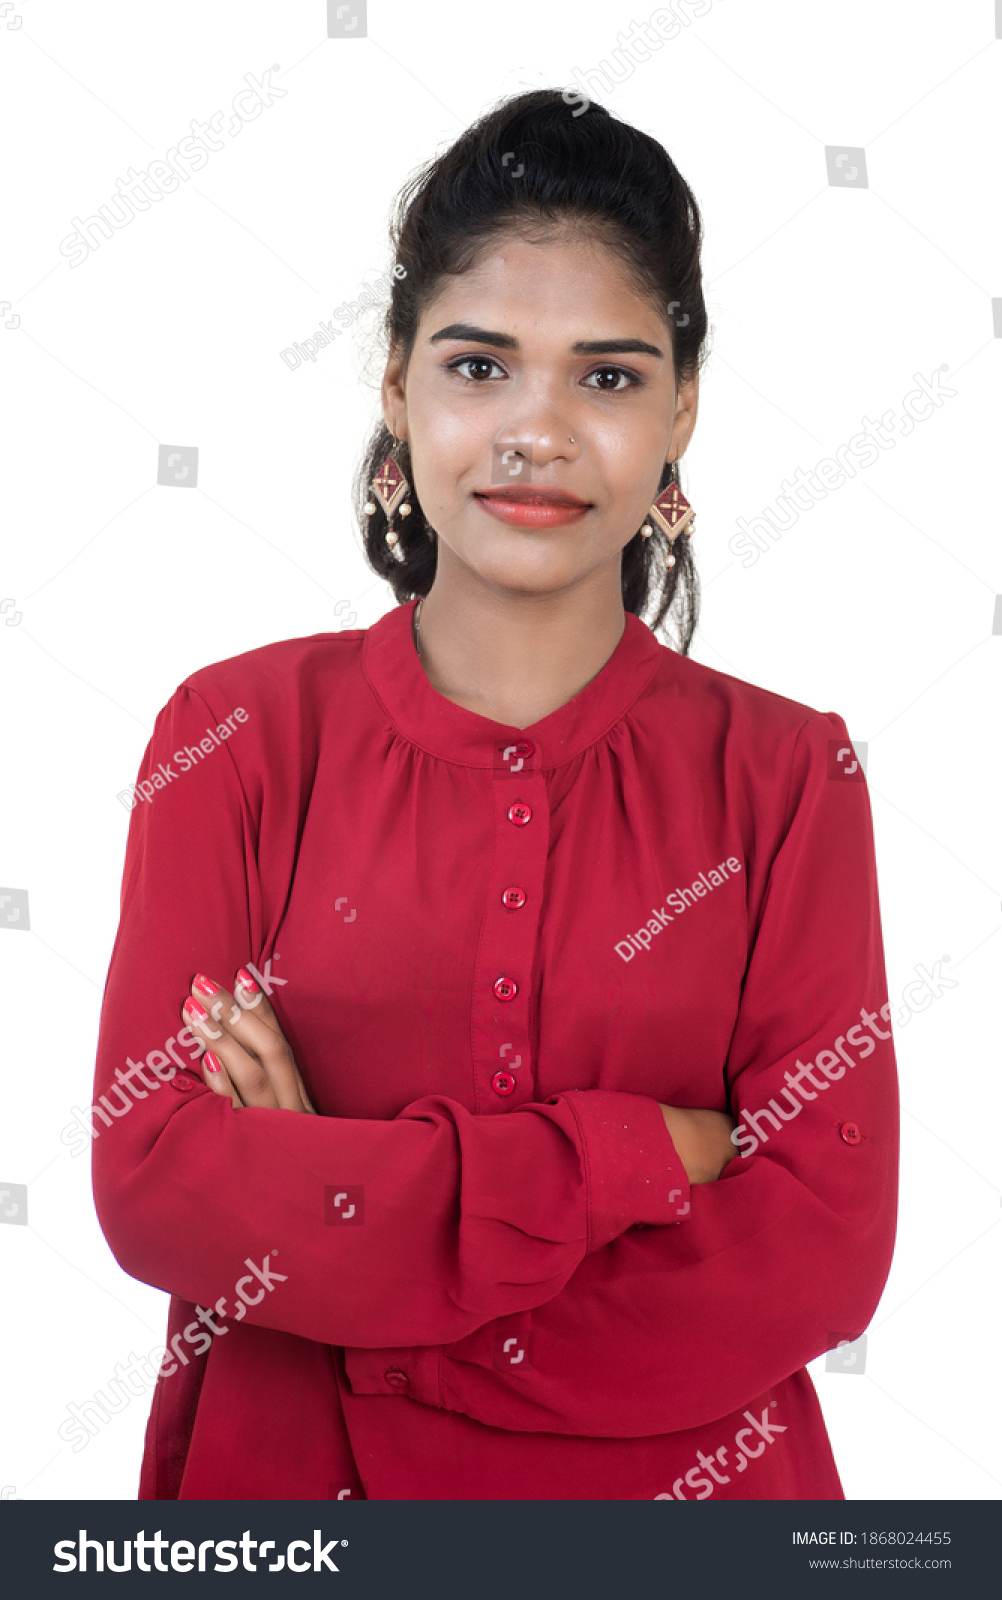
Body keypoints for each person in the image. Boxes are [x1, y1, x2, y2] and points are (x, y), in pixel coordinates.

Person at [91, 88, 898, 1501]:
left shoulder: (782, 778)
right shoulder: (232, 735)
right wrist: (641, 1155)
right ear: (395, 387)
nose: (535, 429)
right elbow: (158, 1181)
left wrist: (357, 1291)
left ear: (680, 412)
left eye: (604, 377)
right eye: (478, 367)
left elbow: (820, 1246)